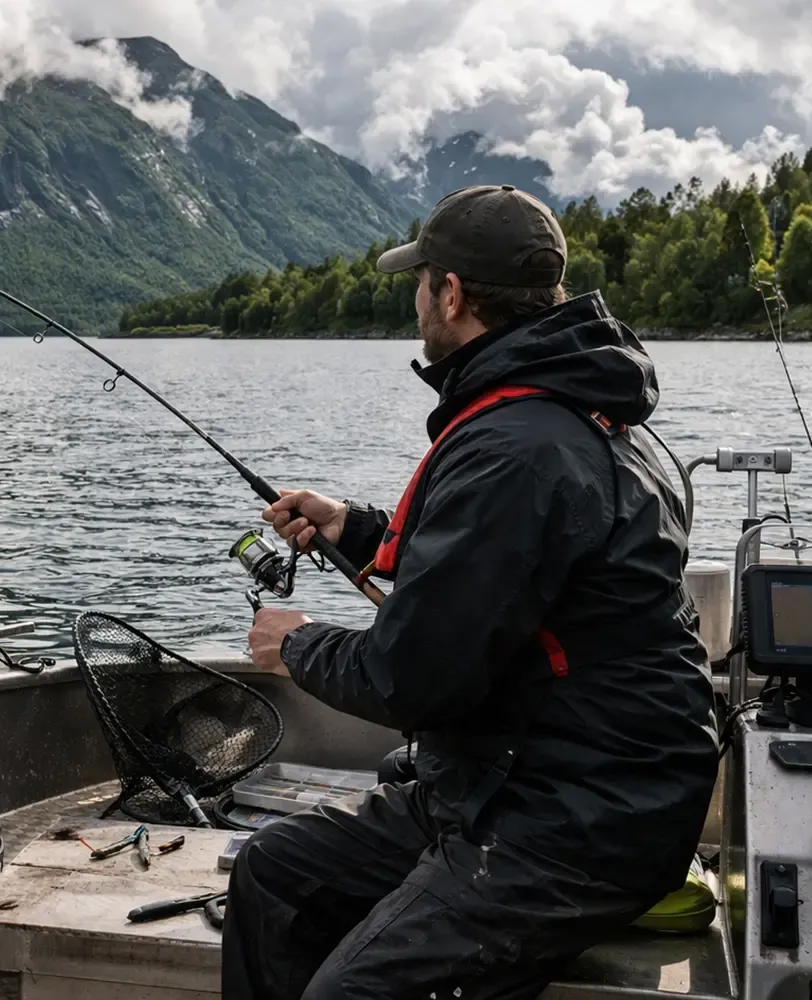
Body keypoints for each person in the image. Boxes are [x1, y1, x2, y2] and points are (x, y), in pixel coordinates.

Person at [221, 184, 720, 1000]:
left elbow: (414, 679)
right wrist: (353, 525)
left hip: (573, 822)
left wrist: (297, 643)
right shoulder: (582, 410)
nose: (417, 297)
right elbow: (497, 562)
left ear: (450, 292)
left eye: (421, 280)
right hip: (521, 781)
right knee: (276, 874)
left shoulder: (515, 447)